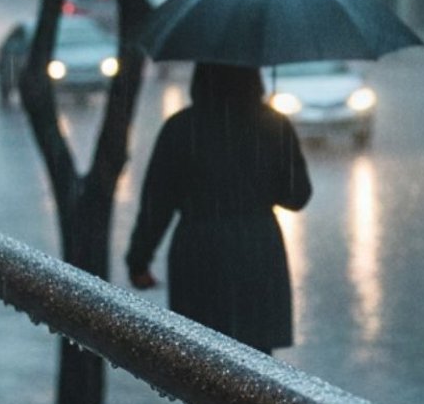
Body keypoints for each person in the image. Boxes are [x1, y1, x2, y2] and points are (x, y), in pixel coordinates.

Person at [126, 62, 312, 354]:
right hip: (257, 251)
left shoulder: (181, 128)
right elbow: (297, 196)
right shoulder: (273, 125)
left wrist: (138, 261)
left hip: (199, 253)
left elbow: (157, 203)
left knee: (200, 358)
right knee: (254, 363)